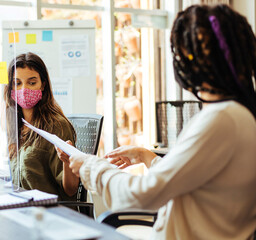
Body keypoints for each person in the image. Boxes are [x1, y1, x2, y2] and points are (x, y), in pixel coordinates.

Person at [60, 4, 256, 239]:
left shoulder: (222, 119)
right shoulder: (240, 114)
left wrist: (89, 165)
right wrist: (147, 157)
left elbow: (144, 194)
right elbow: (186, 180)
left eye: (189, 54)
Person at [0, 52, 79, 201]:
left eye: (32, 83)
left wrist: (67, 162)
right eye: (17, 83)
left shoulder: (57, 126)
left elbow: (71, 191)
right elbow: (20, 179)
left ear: (43, 85)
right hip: (22, 204)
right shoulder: (18, 124)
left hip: (47, 212)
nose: (24, 89)